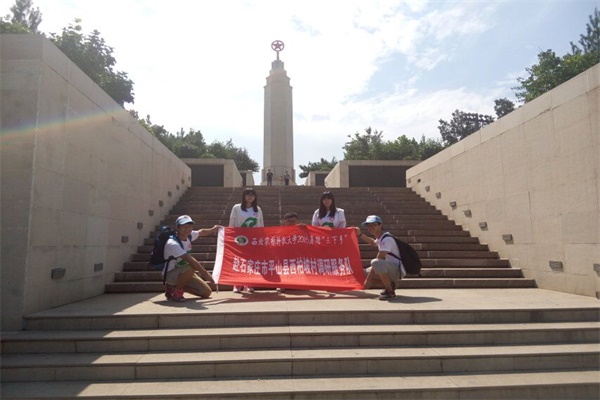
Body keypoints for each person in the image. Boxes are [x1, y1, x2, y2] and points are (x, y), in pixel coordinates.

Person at [163, 215, 220, 302]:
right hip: (171, 274)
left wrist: (213, 229)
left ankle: (172, 287)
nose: (187, 228)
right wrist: (205, 274)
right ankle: (177, 292)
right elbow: (189, 260)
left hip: (184, 271)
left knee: (206, 292)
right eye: (184, 226)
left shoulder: (189, 235)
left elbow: (201, 232)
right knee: (191, 267)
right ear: (177, 228)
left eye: (189, 226)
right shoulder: (173, 244)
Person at [355, 215, 406, 300]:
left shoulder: (387, 239)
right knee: (362, 273)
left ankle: (390, 291)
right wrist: (360, 234)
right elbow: (373, 243)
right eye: (368, 225)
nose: (371, 227)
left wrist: (369, 279)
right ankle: (391, 285)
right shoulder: (381, 237)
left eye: (373, 225)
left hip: (397, 270)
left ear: (380, 225)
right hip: (390, 267)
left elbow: (380, 258)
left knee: (376, 262)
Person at [229, 188, 264, 293]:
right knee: (239, 261)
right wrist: (231, 234)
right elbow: (232, 221)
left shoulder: (257, 209)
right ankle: (237, 284)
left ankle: (249, 283)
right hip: (240, 237)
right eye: (248, 195)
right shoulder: (237, 208)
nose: (250, 197)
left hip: (253, 238)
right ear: (244, 196)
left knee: (251, 261)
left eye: (252, 195)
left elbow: (260, 223)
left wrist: (261, 236)